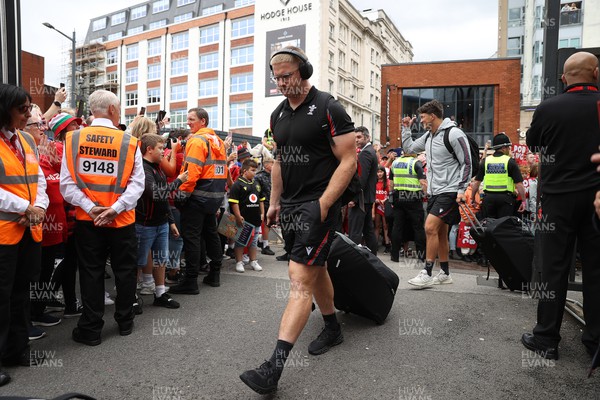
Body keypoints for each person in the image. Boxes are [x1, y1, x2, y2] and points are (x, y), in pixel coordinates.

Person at [239, 46, 356, 394]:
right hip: (289, 206)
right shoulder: (278, 116)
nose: (281, 82)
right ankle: (333, 327)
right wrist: (274, 203)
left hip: (316, 206)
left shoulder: (329, 107)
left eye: (287, 75)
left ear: (303, 71)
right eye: (276, 77)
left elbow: (348, 161)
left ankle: (271, 370)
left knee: (299, 277)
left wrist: (323, 204)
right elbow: (278, 164)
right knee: (315, 269)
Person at [522, 51, 600, 360]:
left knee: (552, 269)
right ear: (595, 73)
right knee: (596, 270)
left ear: (565, 79)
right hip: (596, 201)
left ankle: (546, 339)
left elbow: (534, 144)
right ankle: (595, 341)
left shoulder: (549, 108)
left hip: (557, 201)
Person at [60, 89, 144, 345]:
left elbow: (66, 184)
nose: (120, 113)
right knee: (125, 271)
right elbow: (137, 184)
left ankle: (91, 329)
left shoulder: (73, 139)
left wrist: (92, 207)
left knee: (91, 273)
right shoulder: (129, 142)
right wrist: (115, 209)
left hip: (89, 221)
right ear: (111, 110)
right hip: (122, 221)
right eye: (119, 108)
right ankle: (125, 321)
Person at [0, 84, 49, 386]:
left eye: (29, 108)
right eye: (23, 109)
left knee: (20, 295)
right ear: (5, 109)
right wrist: (26, 206)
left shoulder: (26, 141)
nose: (28, 114)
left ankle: (18, 349)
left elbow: (39, 178)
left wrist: (39, 206)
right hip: (5, 234)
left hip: (29, 230)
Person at [401, 100, 472, 287]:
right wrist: (406, 129)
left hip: (450, 191)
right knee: (440, 233)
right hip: (434, 192)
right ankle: (445, 273)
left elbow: (467, 162)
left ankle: (427, 271)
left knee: (429, 228)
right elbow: (408, 149)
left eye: (423, 117)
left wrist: (461, 190)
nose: (421, 120)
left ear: (433, 116)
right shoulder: (429, 136)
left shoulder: (454, 134)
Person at [169, 108, 228, 294]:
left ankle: (190, 281)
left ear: (203, 121)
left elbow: (191, 172)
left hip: (196, 196)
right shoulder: (217, 141)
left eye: (191, 119)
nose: (188, 123)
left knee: (192, 237)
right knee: (211, 234)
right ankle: (214, 274)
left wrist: (182, 195)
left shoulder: (196, 140)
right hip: (214, 197)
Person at [135, 134, 188, 308]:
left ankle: (160, 294)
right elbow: (157, 194)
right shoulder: (142, 168)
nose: (164, 152)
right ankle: (131, 298)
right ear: (149, 149)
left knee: (161, 259)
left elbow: (164, 199)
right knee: (137, 262)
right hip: (143, 224)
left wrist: (171, 221)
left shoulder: (157, 167)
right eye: (160, 148)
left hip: (161, 223)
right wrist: (178, 181)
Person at [388, 150, 427, 264]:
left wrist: (392, 197)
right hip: (413, 197)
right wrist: (424, 195)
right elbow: (423, 183)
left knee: (397, 226)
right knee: (418, 227)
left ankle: (394, 255)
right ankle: (421, 257)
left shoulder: (395, 163)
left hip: (398, 196)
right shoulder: (416, 163)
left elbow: (391, 184)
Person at [229, 158, 265, 273]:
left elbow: (261, 200)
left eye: (256, 170)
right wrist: (238, 216)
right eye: (253, 170)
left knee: (254, 241)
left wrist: (263, 213)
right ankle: (239, 262)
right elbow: (234, 202)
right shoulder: (237, 185)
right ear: (244, 171)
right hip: (243, 219)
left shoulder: (256, 184)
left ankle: (253, 260)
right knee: (240, 240)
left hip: (255, 218)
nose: (255, 172)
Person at [347, 126, 378, 254]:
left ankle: (351, 259)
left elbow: (361, 179)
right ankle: (373, 258)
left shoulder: (366, 153)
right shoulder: (370, 151)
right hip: (367, 198)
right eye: (355, 138)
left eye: (359, 137)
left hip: (361, 199)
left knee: (355, 231)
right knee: (367, 230)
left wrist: (353, 198)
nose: (356, 140)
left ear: (367, 137)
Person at [255, 156, 276, 255]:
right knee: (265, 224)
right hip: (263, 203)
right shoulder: (259, 176)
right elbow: (258, 192)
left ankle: (262, 242)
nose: (274, 165)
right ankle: (265, 245)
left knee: (269, 224)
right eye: (272, 164)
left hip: (271, 203)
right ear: (266, 165)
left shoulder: (273, 175)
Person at [373, 166, 391, 253]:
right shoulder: (374, 183)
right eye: (378, 172)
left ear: (384, 173)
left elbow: (390, 194)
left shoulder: (387, 183)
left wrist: (385, 200)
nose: (379, 174)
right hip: (376, 206)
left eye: (381, 172)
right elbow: (372, 194)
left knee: (385, 226)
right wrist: (375, 199)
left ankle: (387, 244)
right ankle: (375, 245)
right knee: (377, 226)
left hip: (385, 206)